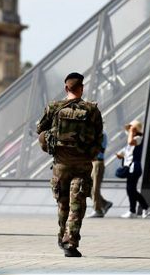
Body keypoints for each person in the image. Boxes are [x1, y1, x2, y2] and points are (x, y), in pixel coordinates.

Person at [36, 72, 103, 257]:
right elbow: (99, 137)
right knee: (77, 204)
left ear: (66, 88)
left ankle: (61, 235)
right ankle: (70, 241)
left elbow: (40, 130)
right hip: (82, 165)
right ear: (82, 88)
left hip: (61, 165)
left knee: (63, 203)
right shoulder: (92, 110)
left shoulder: (54, 107)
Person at [117, 120, 150, 219]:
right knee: (130, 190)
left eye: (131, 128)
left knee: (131, 189)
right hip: (130, 167)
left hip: (135, 167)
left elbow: (131, 142)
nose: (129, 130)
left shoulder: (138, 138)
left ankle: (145, 208)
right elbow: (127, 152)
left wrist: (132, 132)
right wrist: (121, 156)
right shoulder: (133, 138)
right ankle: (133, 211)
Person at [87, 131, 113, 218]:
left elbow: (99, 149)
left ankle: (97, 210)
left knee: (95, 188)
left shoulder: (100, 134)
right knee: (88, 187)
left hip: (97, 162)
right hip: (92, 162)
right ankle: (105, 204)